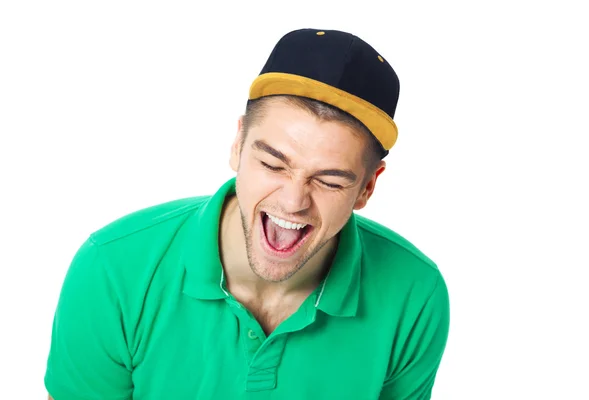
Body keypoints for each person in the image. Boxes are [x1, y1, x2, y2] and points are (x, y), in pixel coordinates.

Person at [45, 28, 450, 399]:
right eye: (274, 164)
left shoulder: (414, 294)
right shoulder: (114, 268)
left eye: (329, 181)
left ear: (368, 187)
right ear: (238, 144)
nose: (293, 201)